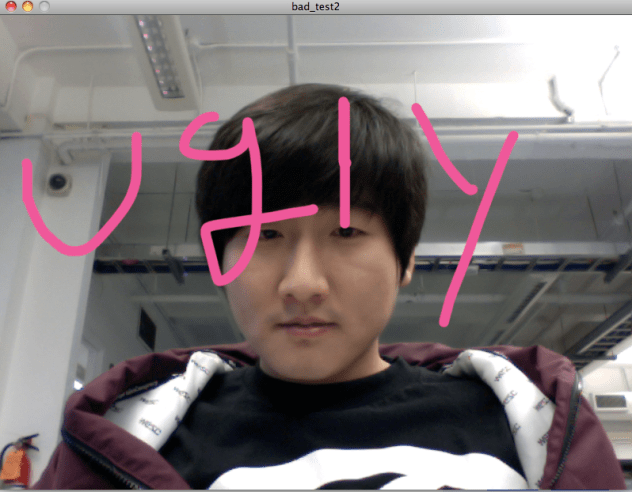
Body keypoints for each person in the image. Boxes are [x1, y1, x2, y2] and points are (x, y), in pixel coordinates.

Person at [33, 84, 624, 489]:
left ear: (404, 259)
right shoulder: (122, 443)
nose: (302, 283)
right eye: (264, 235)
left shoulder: (525, 429)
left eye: (346, 233)